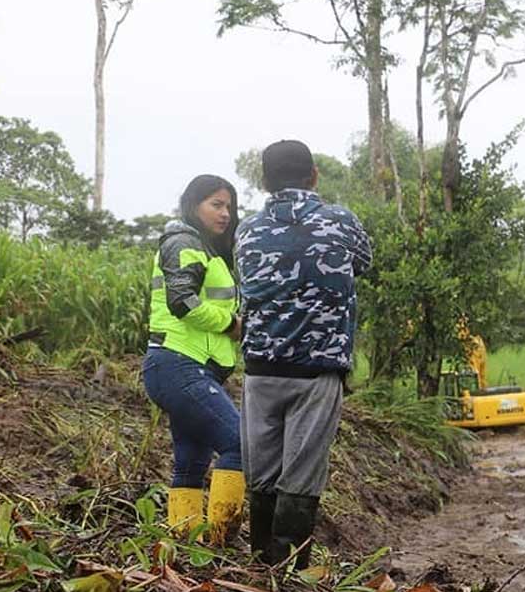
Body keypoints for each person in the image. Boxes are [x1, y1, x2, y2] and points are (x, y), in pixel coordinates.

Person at [235, 140, 372, 568]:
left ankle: (261, 568)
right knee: (301, 477)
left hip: (260, 371)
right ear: (314, 175)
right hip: (316, 372)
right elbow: (362, 264)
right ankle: (291, 578)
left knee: (262, 475)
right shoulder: (341, 222)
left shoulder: (246, 230)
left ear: (263, 180)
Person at [142, 175, 246, 545]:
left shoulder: (206, 248)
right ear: (193, 205)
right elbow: (181, 301)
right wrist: (231, 323)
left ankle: (184, 547)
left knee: (191, 463)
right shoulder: (185, 242)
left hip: (188, 367)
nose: (225, 214)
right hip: (178, 365)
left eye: (229, 206)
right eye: (216, 205)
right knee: (240, 445)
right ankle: (220, 543)